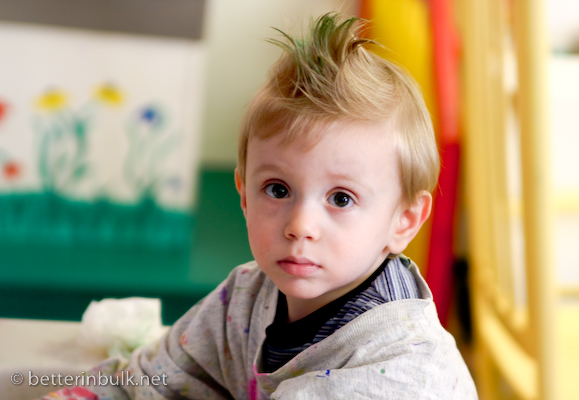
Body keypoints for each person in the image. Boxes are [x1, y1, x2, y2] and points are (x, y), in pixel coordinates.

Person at [42, 12, 477, 400]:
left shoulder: (401, 373)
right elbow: (153, 378)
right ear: (244, 193)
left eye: (341, 199)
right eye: (278, 189)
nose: (301, 225)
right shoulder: (247, 296)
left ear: (404, 221)